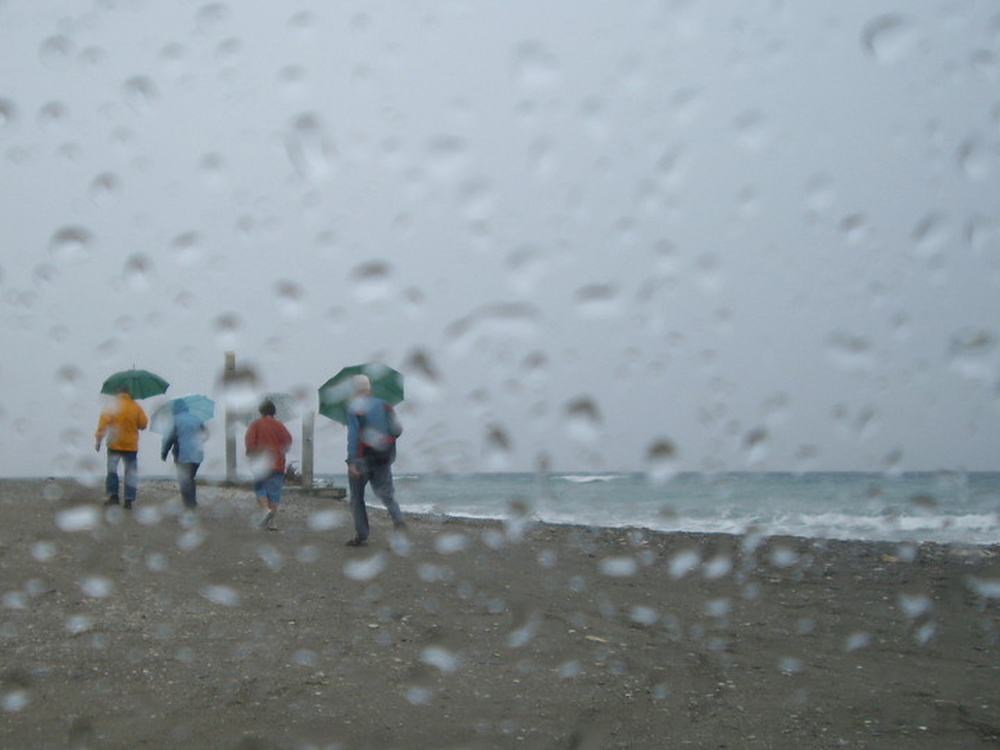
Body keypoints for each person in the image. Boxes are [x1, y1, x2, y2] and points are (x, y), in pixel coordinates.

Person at [345, 374, 405, 546]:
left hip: (362, 458)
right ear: (369, 387)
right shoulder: (386, 405)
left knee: (357, 497)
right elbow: (398, 430)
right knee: (387, 494)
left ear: (356, 389)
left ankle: (362, 535)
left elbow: (354, 436)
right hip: (383, 457)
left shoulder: (354, 408)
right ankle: (398, 518)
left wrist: (352, 462)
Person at [94, 385, 149, 509]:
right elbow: (144, 424)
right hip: (131, 445)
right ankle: (129, 500)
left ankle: (113, 496)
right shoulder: (135, 406)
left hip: (114, 444)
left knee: (112, 471)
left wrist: (98, 441)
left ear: (117, 393)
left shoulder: (112, 406)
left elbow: (103, 426)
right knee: (130, 472)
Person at [244, 399, 292, 530]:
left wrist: (250, 453)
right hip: (278, 463)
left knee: (260, 488)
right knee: (274, 492)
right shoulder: (280, 426)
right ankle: (272, 522)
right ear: (274, 412)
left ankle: (265, 510)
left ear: (261, 411)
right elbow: (288, 442)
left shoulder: (256, 425)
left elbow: (250, 443)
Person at [159, 400, 207, 510]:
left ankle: (189, 503)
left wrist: (164, 453)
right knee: (190, 478)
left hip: (182, 455)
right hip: (198, 455)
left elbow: (169, 439)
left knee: (184, 479)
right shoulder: (197, 419)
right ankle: (192, 502)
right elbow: (205, 435)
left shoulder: (175, 420)